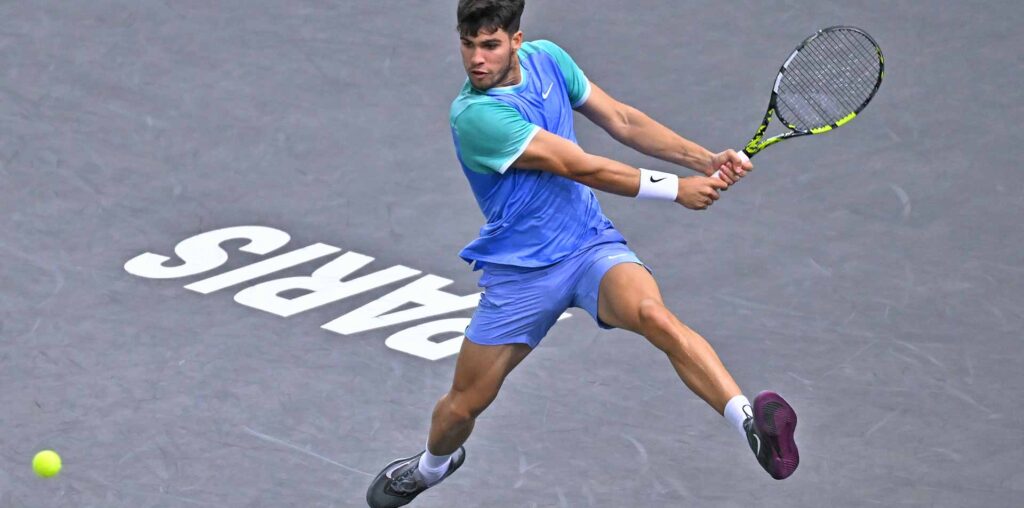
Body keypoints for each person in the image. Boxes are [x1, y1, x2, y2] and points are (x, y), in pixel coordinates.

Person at [366, 1, 799, 506]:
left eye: (489, 45)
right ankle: (430, 467)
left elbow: (622, 119)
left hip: (589, 246)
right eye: (467, 45)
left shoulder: (550, 60)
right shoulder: (476, 116)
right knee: (462, 408)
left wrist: (706, 159)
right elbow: (579, 166)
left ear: (517, 40)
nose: (476, 60)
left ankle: (748, 423)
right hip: (521, 275)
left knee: (654, 316)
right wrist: (674, 189)